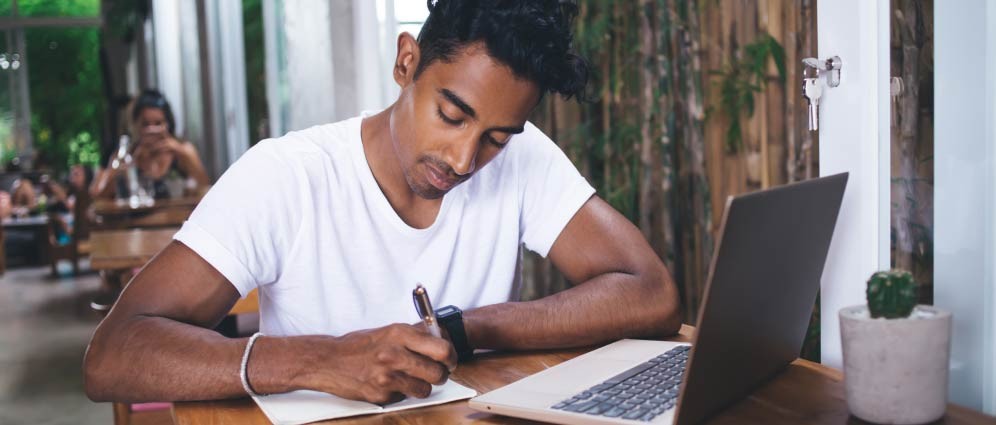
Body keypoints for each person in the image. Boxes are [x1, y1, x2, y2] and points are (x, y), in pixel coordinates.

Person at [84, 0, 681, 405]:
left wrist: (463, 327)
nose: (465, 159)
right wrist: (321, 361)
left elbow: (651, 291)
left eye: (497, 137)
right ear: (406, 63)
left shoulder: (523, 159)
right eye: (452, 115)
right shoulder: (287, 175)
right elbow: (112, 355)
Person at [90, 89, 210, 200]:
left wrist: (183, 153)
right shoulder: (125, 156)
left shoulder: (183, 151)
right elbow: (98, 197)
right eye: (145, 124)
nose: (152, 130)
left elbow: (206, 188)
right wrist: (119, 171)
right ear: (135, 126)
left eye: (158, 123)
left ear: (168, 123)